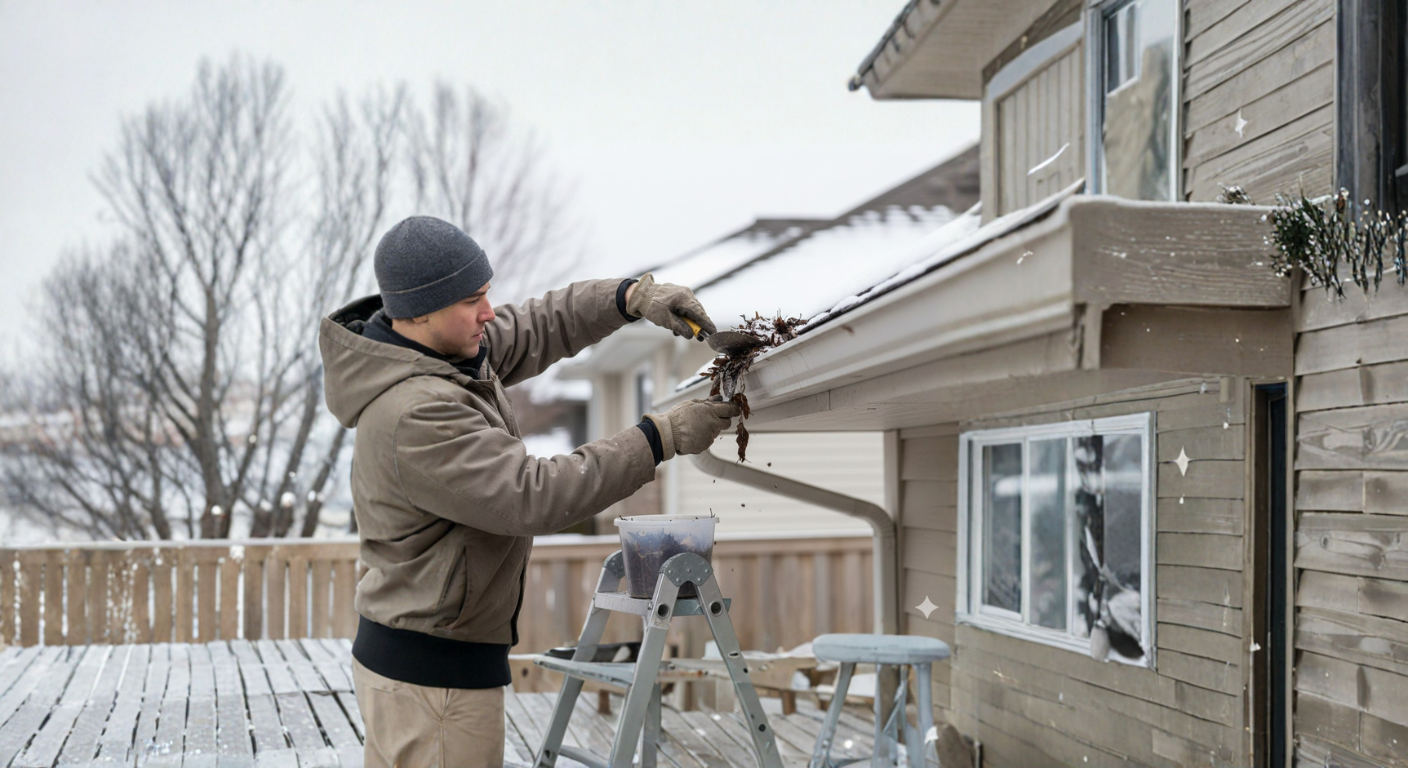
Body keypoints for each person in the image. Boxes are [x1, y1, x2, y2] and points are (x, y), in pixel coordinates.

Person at [318, 215, 741, 767]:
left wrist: (631, 296)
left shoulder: (444, 357)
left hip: (429, 666)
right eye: (473, 300)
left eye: (486, 294)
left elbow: (542, 323)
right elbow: (532, 495)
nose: (488, 313)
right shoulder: (416, 411)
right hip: (434, 680)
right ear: (420, 310)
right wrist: (659, 437)